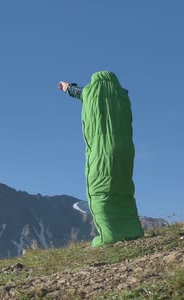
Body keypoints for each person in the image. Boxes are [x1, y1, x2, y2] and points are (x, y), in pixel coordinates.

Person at [59, 71, 144, 247]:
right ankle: (132, 231)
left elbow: (77, 91)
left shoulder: (90, 92)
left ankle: (109, 235)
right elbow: (122, 91)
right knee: (124, 189)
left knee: (100, 188)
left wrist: (67, 86)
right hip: (125, 150)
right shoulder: (122, 95)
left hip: (101, 149)